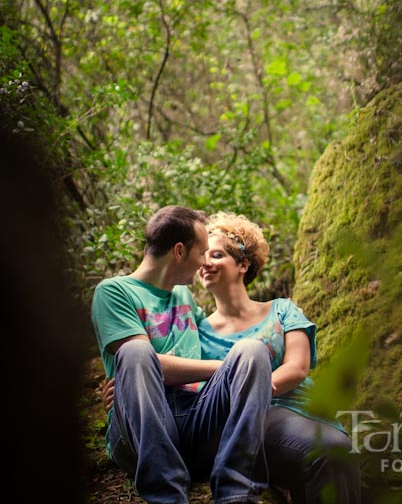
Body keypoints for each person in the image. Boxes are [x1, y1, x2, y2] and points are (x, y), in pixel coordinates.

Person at [91, 205, 274, 504]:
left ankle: (236, 494)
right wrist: (125, 383)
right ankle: (167, 496)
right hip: (145, 427)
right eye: (202, 252)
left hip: (196, 418)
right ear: (179, 251)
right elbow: (146, 363)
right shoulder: (113, 292)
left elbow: (225, 333)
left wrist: (261, 358)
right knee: (137, 351)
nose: (204, 262)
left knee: (253, 350)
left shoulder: (183, 295)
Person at [198, 212, 360, 504]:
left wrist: (252, 387)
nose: (205, 263)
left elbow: (297, 368)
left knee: (335, 453)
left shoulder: (282, 310)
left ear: (243, 265)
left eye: (217, 254)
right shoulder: (197, 331)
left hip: (301, 413)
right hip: (243, 425)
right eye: (202, 257)